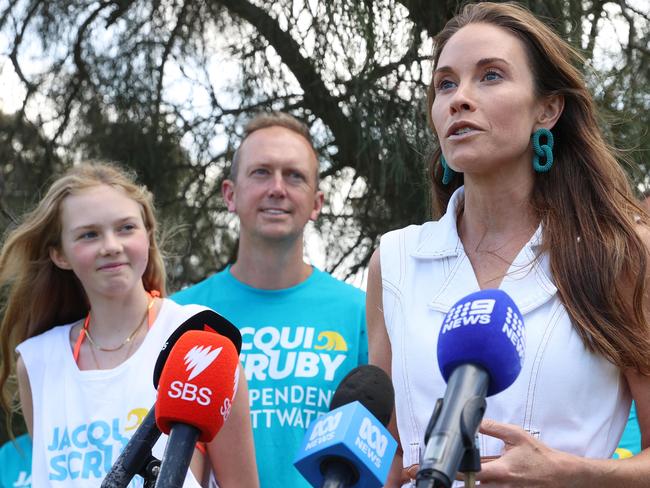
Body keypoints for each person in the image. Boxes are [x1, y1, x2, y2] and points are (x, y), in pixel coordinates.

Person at [366, 2, 650, 487]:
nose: (459, 99)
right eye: (446, 84)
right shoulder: (393, 261)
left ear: (548, 108)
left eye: (490, 76)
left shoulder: (620, 253)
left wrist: (569, 473)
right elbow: (385, 454)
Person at [0, 163, 258, 487]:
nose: (111, 245)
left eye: (125, 228)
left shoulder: (199, 339)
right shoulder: (37, 362)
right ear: (59, 254)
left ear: (148, 236)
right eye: (89, 234)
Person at [173, 112, 368, 488]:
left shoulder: (357, 312)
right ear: (230, 194)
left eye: (294, 176)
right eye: (261, 172)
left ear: (316, 202)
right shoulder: (182, 315)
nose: (277, 188)